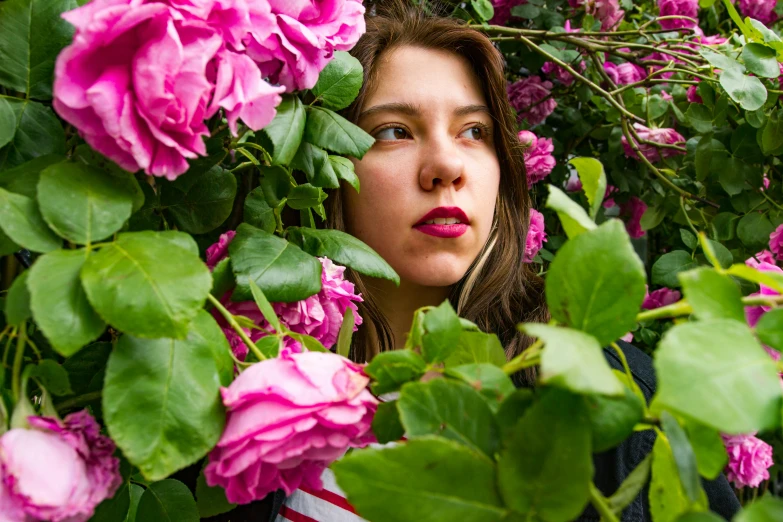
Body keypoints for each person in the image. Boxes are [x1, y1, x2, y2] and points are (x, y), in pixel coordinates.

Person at [207, 1, 741, 520]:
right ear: (322, 168)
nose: (446, 165)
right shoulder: (245, 395)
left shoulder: (611, 399)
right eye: (393, 131)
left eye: (473, 132)